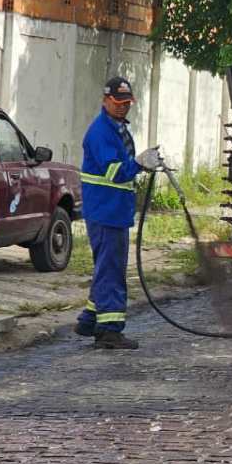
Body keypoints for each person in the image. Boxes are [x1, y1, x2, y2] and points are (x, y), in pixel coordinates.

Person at [74, 77, 161, 350]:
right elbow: (115, 171)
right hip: (106, 211)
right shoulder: (101, 132)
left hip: (113, 210)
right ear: (106, 101)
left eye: (127, 103)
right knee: (110, 271)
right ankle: (109, 331)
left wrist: (140, 163)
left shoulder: (117, 129)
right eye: (119, 103)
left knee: (106, 268)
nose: (124, 107)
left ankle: (89, 320)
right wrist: (138, 163)